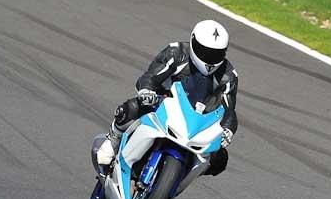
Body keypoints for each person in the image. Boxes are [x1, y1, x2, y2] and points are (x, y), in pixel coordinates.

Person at [93, 19, 238, 176]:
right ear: (193, 42)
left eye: (216, 54)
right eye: (205, 52)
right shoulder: (176, 53)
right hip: (163, 104)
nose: (209, 59)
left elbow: (229, 109)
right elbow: (150, 76)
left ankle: (180, 175)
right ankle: (113, 140)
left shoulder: (228, 75)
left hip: (197, 122)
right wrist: (146, 91)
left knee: (220, 159)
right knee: (132, 108)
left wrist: (227, 130)